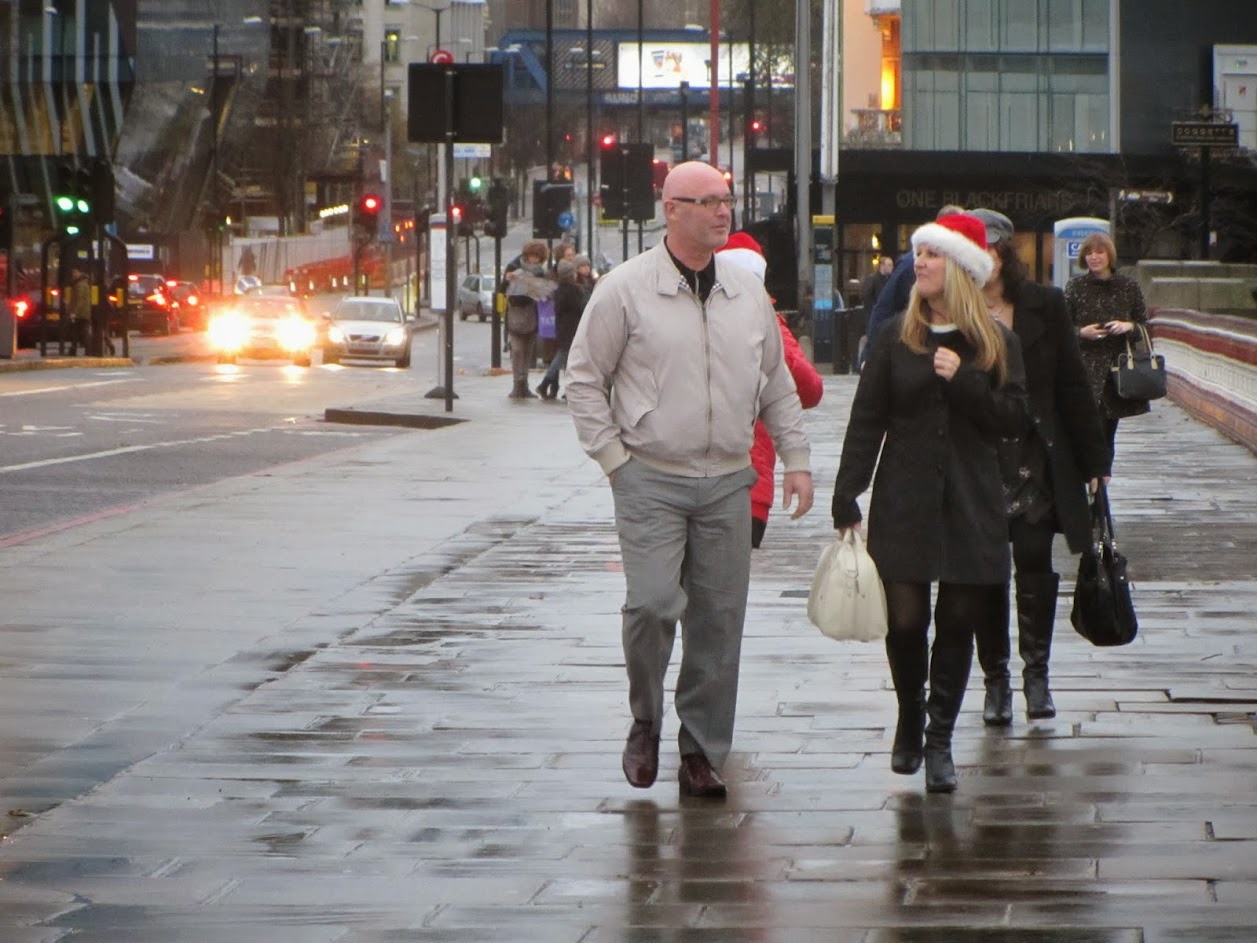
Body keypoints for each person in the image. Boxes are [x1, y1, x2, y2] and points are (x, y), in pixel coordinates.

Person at [566, 161, 814, 799]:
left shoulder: (746, 292)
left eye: (725, 200)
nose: (721, 211)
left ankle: (701, 750)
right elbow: (584, 378)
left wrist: (796, 459)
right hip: (649, 475)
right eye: (705, 202)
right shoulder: (625, 289)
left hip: (729, 479)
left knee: (719, 621)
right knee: (651, 605)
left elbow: (777, 385)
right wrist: (613, 460)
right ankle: (645, 718)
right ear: (670, 209)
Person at [831, 212, 1027, 793]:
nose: (922, 263)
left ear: (962, 270)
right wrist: (848, 491)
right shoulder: (895, 335)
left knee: (959, 620)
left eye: (935, 255)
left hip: (971, 497)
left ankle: (940, 739)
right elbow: (868, 417)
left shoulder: (997, 342)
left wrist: (964, 379)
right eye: (919, 254)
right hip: (906, 496)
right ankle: (909, 717)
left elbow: (1014, 419)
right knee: (907, 618)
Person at [968, 209, 1112, 727]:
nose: (980, 261)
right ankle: (996, 682)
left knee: (1033, 560)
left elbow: (1073, 384)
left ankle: (1036, 675)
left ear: (1005, 254)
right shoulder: (953, 309)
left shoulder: (1045, 305)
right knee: (984, 574)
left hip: (1034, 454)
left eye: (988, 250)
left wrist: (1096, 460)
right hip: (978, 458)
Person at [714, 231, 825, 548]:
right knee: (723, 592)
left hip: (708, 482)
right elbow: (810, 388)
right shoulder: (770, 322)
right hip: (748, 484)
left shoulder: (694, 316)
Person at [1064, 232, 1151, 454]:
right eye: (1089, 253)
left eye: (1099, 252)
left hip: (1117, 371)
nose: (1094, 257)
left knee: (1107, 431)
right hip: (1085, 368)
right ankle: (1094, 481)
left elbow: (1144, 325)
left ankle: (1100, 483)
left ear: (1109, 255)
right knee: (1088, 430)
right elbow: (1062, 327)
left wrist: (1127, 326)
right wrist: (1082, 332)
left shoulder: (1128, 287)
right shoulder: (1075, 287)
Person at [858, 204, 967, 370]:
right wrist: (872, 357)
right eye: (921, 254)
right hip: (910, 350)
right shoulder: (911, 265)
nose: (920, 263)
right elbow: (883, 309)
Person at [502, 240, 552, 399]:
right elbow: (501, 288)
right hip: (516, 312)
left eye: (537, 257)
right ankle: (517, 384)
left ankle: (525, 385)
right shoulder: (514, 266)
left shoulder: (540, 272)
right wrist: (507, 280)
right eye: (532, 256)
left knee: (528, 351)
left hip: (532, 313)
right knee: (517, 350)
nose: (534, 260)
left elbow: (546, 291)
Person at [536, 258, 585, 400]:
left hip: (562, 329)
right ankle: (545, 384)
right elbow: (579, 308)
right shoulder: (572, 290)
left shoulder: (560, 290)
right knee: (562, 358)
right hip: (571, 329)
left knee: (564, 357)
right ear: (570, 275)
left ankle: (554, 386)